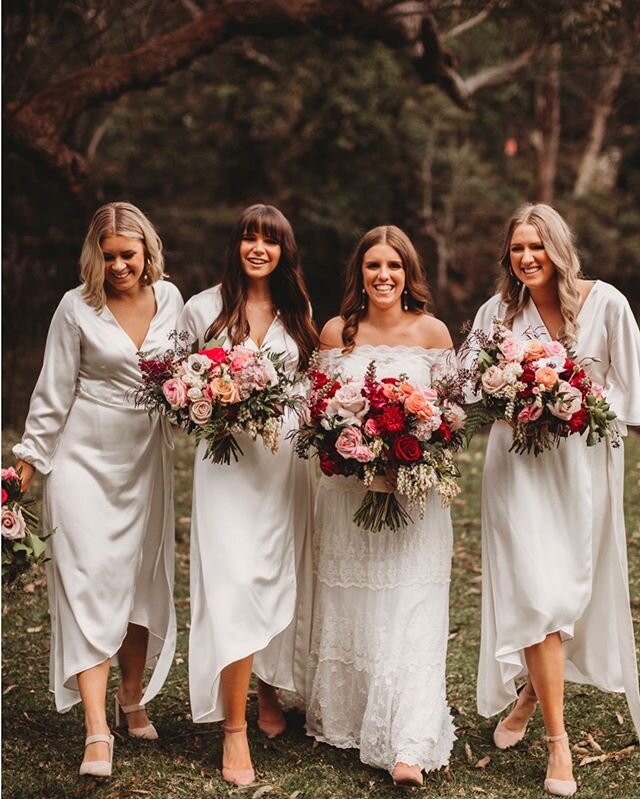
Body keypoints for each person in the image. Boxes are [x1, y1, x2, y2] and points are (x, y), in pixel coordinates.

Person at [468, 203, 640, 797]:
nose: (526, 258)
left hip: (581, 468)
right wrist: (509, 391)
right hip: (515, 470)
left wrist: (572, 401)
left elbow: (631, 389)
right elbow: (468, 386)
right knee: (539, 595)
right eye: (517, 248)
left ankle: (525, 698)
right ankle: (558, 745)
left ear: (559, 249)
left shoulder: (607, 303)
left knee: (567, 594)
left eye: (536, 247)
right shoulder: (497, 313)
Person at [13, 202, 184, 777]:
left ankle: (130, 696)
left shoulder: (173, 301)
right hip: (83, 459)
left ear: (146, 251)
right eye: (108, 256)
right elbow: (53, 390)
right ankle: (95, 732)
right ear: (96, 254)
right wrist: (26, 467)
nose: (118, 266)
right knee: (88, 582)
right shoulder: (75, 307)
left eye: (127, 255)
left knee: (135, 577)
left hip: (146, 460)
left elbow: (187, 374)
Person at [305, 225, 456, 787]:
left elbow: (451, 417)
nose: (384, 276)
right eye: (373, 266)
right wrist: (353, 451)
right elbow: (316, 413)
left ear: (408, 272)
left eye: (394, 265)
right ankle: (356, 715)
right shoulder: (337, 332)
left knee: (411, 602)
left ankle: (409, 742)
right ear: (360, 274)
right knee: (360, 605)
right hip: (348, 496)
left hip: (415, 498)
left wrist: (411, 452)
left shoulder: (433, 332)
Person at [178, 203, 317, 787]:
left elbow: (311, 388)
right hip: (227, 467)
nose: (259, 248)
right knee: (234, 583)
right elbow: (178, 385)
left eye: (271, 240)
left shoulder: (296, 312)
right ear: (235, 245)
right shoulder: (203, 309)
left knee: (271, 576)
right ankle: (233, 729)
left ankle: (267, 690)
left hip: (281, 467)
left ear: (284, 251)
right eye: (249, 239)